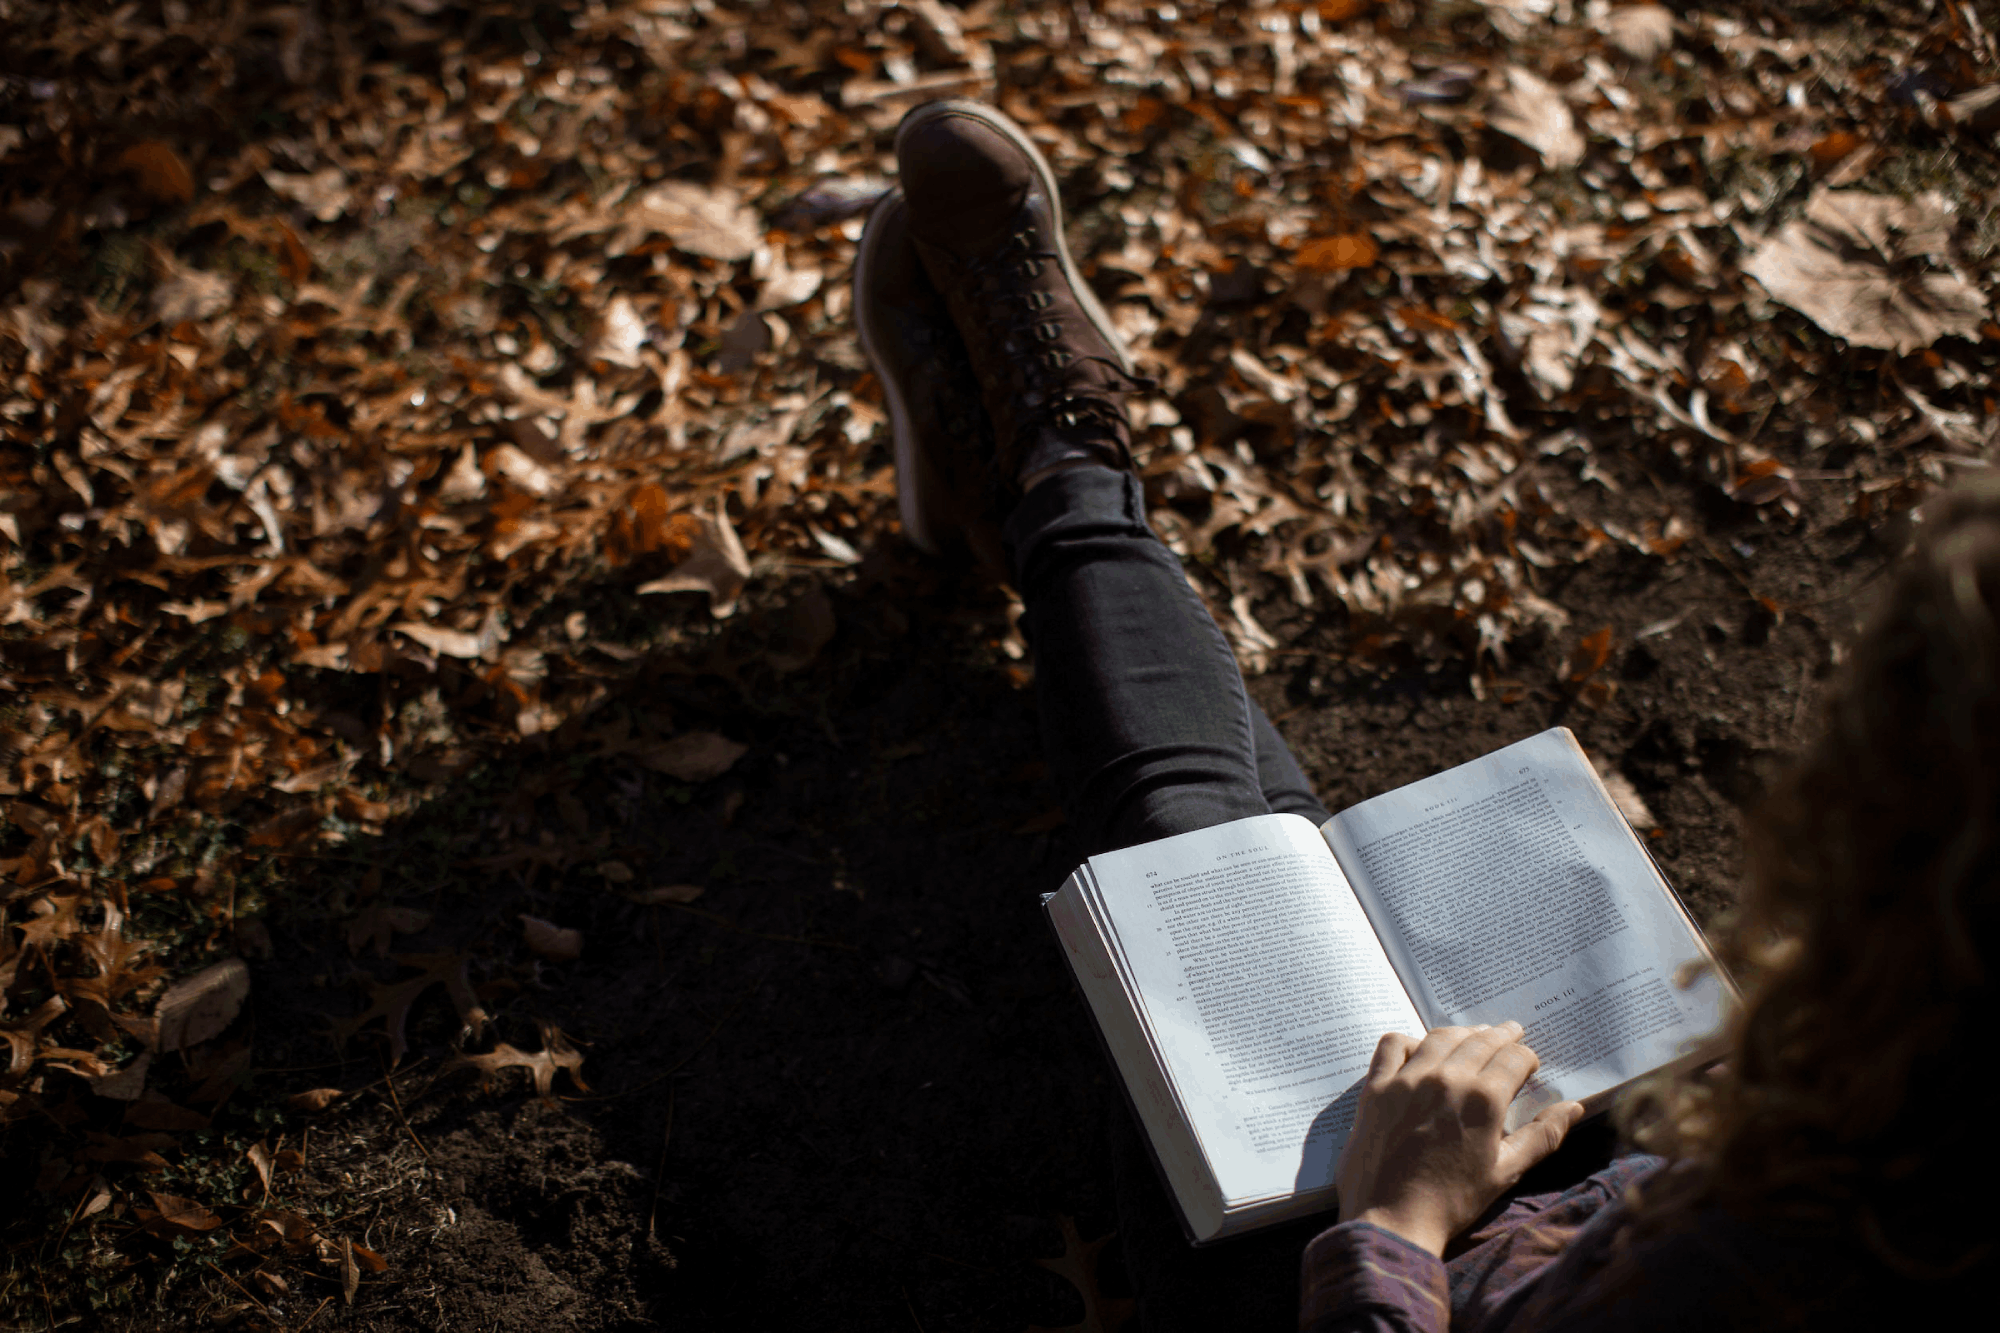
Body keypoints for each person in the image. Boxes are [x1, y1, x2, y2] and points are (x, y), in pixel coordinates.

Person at [853, 98, 1999, 1331]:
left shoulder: (1807, 1253)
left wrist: (1392, 1225)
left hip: (1387, 1289)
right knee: (1264, 862)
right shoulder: (1913, 1085)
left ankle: (1056, 468)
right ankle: (1049, 482)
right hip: (1616, 1177)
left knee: (1194, 851)